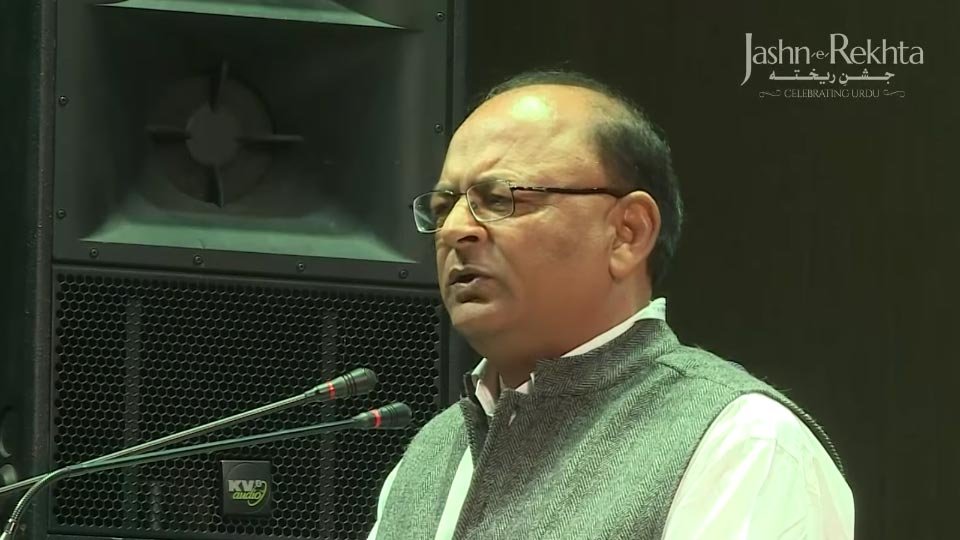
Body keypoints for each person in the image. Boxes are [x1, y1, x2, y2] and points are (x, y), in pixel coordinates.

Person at [367, 70, 853, 539]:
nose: (453, 230)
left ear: (628, 233)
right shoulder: (428, 457)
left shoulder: (742, 442)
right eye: (443, 207)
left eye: (499, 199)